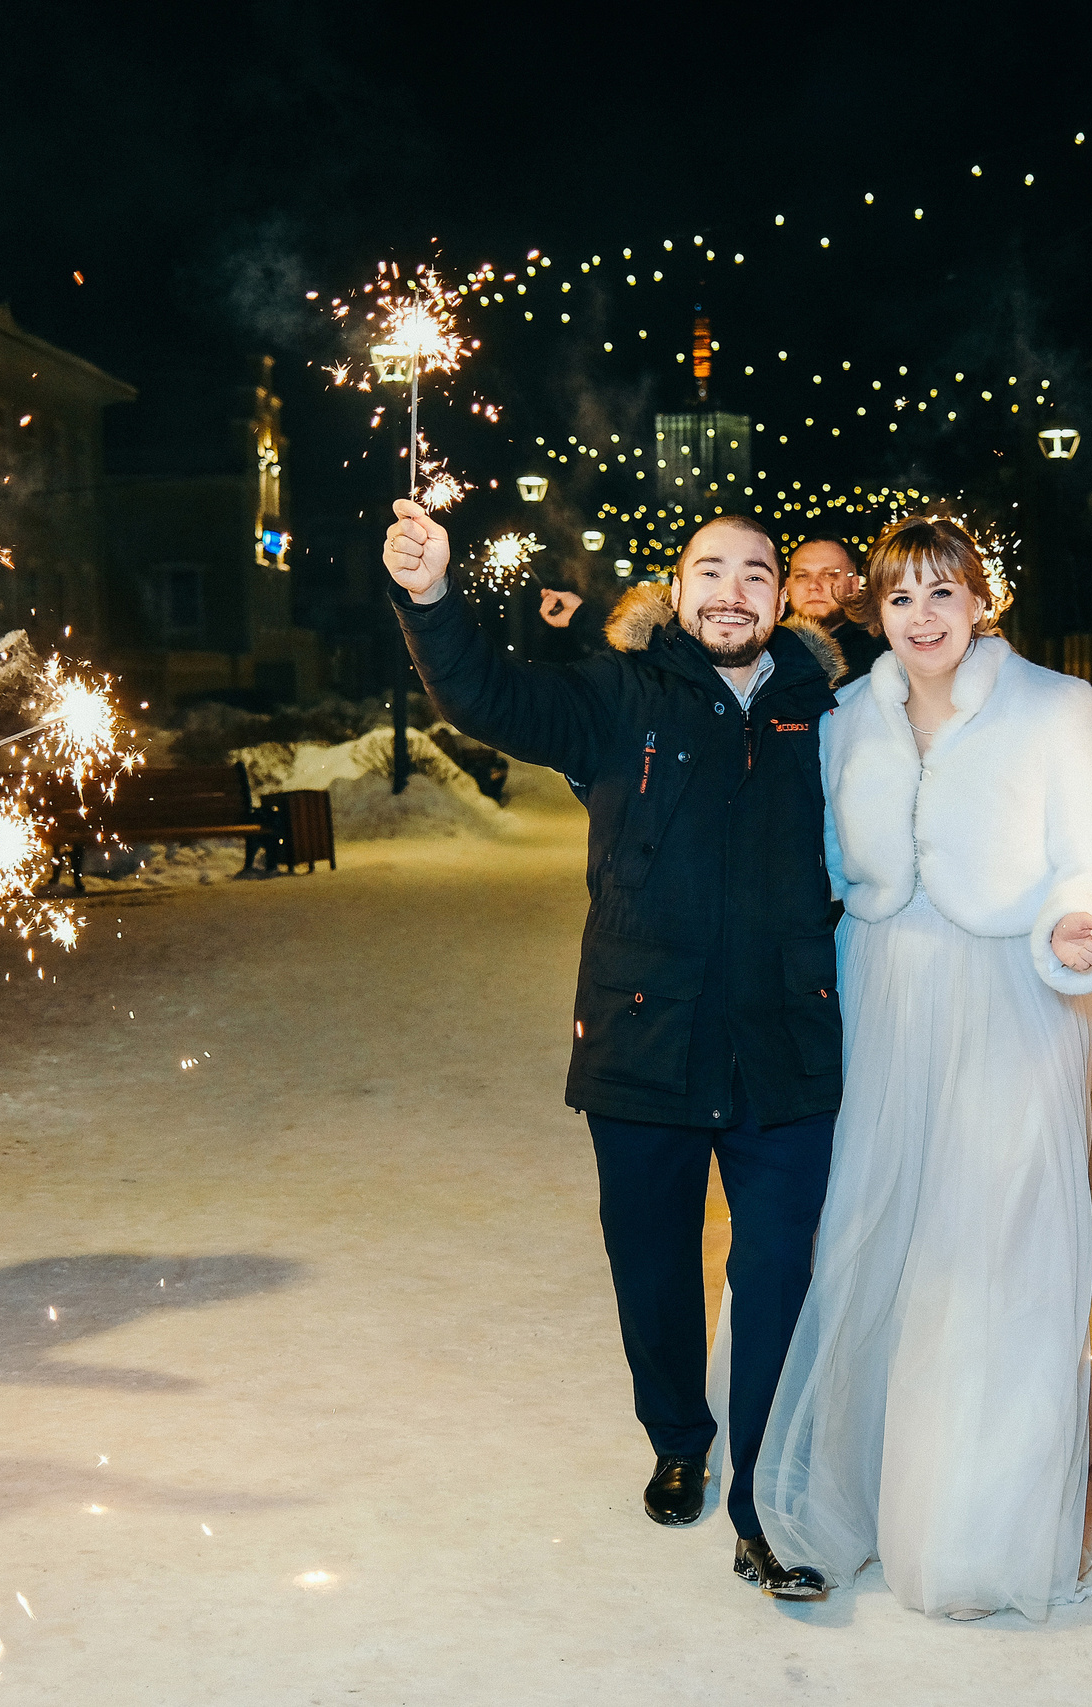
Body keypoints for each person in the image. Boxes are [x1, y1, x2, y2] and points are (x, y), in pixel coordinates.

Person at [383, 500, 847, 1600]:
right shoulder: (614, 695)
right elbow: (483, 694)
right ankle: (679, 1439)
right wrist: (432, 597)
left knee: (778, 1263)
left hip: (786, 1038)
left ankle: (764, 1477)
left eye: (754, 575)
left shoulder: (830, 705)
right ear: (676, 590)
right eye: (710, 571)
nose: (731, 593)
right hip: (645, 1033)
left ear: (781, 598)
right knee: (651, 1257)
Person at [756, 515, 1092, 1621]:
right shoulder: (847, 715)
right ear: (872, 615)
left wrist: (1080, 917)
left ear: (982, 601)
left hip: (1009, 998)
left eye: (941, 595)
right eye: (897, 600)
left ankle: (970, 1526)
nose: (920, 620)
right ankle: (872, 1487)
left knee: (988, 1250)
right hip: (882, 992)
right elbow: (825, 856)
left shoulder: (1051, 707)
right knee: (881, 1234)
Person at [787, 537, 886, 682]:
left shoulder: (883, 654)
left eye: (829, 575)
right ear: (787, 586)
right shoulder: (764, 652)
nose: (813, 585)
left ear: (854, 585)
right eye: (802, 576)